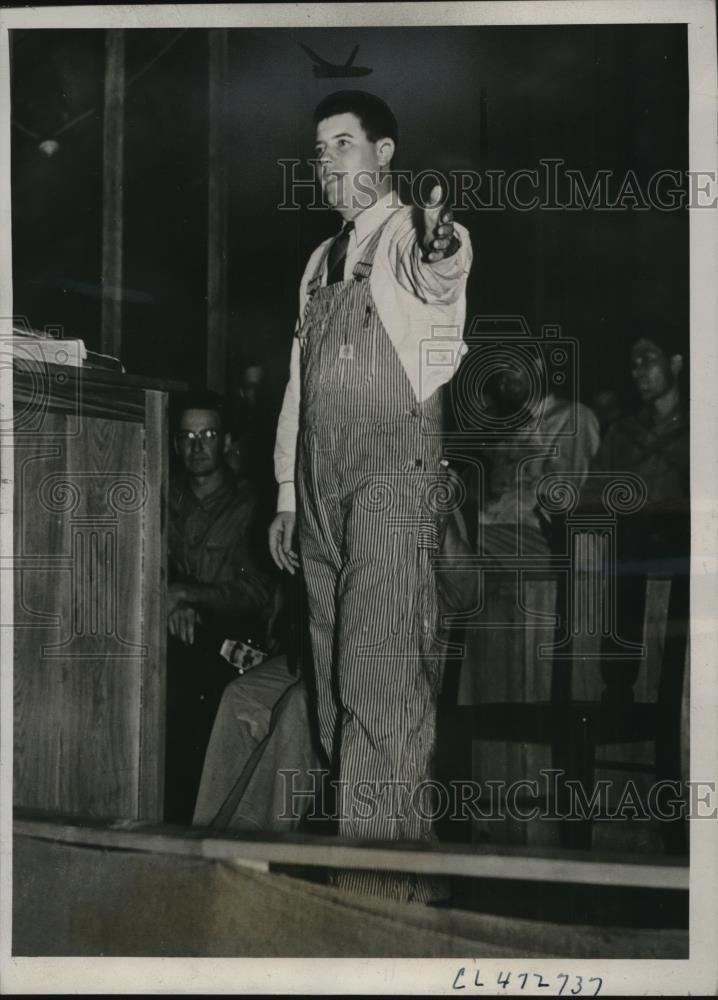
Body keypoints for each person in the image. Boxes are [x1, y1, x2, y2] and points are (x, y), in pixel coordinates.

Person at [269, 90, 473, 903]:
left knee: (381, 689)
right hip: (320, 488)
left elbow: (440, 282)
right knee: (333, 692)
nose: (328, 163)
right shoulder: (319, 263)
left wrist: (441, 247)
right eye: (319, 151)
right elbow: (298, 384)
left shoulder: (408, 239)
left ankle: (379, 910)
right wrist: (287, 489)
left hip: (391, 479)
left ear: (383, 154)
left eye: (344, 145)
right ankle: (392, 879)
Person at [165, 392, 276, 823]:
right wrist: (174, 599)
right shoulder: (165, 497)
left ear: (225, 440)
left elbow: (256, 593)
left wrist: (188, 595)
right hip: (175, 633)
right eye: (188, 436)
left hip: (233, 646)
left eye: (207, 435)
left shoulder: (251, 506)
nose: (197, 446)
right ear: (175, 443)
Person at [468, 351, 600, 561]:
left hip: (550, 537)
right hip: (505, 530)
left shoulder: (572, 416)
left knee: (464, 543)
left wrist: (493, 510)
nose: (504, 377)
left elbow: (561, 493)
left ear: (538, 365)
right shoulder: (510, 430)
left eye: (511, 365)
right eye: (499, 371)